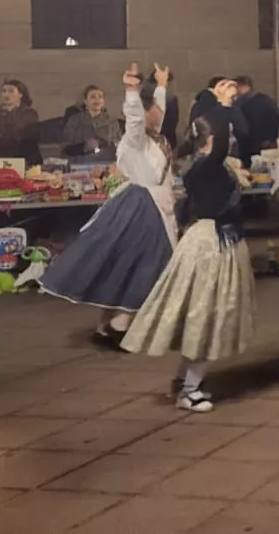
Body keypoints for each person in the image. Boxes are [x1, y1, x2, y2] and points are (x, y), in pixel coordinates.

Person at [122, 87, 255, 413]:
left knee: (206, 317)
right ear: (213, 139)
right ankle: (189, 389)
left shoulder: (210, 164)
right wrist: (224, 107)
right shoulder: (206, 165)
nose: (233, 138)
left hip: (217, 241)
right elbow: (224, 142)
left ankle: (185, 382)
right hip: (211, 246)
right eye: (227, 134)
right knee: (209, 317)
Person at [42, 65, 178, 347]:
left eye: (157, 109)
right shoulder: (135, 140)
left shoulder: (155, 138)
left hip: (151, 206)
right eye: (151, 109)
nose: (157, 113)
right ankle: (120, 323)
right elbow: (134, 120)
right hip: (142, 209)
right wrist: (130, 91)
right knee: (147, 264)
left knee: (125, 265)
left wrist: (161, 86)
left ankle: (106, 325)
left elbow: (156, 116)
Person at [0, 79, 41, 166]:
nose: (6, 95)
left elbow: (27, 137)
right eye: (4, 91)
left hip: (23, 159)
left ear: (20, 94)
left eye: (11, 91)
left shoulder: (29, 113)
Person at [61, 85, 121, 159]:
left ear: (103, 102)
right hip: (80, 163)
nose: (97, 100)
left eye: (100, 97)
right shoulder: (74, 121)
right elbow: (65, 149)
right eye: (93, 97)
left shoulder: (112, 122)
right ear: (85, 101)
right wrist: (84, 147)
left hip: (107, 162)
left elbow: (119, 146)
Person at [233, 76, 279, 158]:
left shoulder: (258, 102)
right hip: (253, 143)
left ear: (243, 86)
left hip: (257, 143)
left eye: (235, 87)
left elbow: (274, 120)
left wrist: (269, 138)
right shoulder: (264, 100)